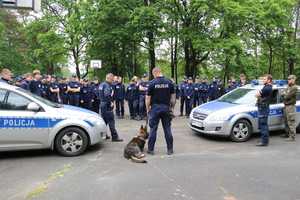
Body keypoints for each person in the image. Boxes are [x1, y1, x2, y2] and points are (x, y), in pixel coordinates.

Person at [146, 67, 176, 155]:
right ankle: (170, 149)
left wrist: (148, 109)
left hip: (155, 109)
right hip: (166, 108)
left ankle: (150, 149)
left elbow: (148, 98)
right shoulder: (169, 82)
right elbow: (173, 98)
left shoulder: (152, 83)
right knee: (167, 129)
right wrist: (172, 108)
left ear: (155, 73)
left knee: (153, 129)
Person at [99, 73, 123, 142]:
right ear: (109, 78)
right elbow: (107, 94)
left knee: (104, 121)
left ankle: (103, 135)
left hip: (102, 104)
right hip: (107, 105)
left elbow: (99, 94)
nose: (113, 81)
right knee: (111, 121)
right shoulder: (107, 85)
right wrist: (111, 102)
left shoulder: (101, 84)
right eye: (112, 79)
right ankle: (114, 137)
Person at [256, 74, 273, 147]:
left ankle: (264, 142)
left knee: (263, 125)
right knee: (263, 124)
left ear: (269, 80)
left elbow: (257, 95)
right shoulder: (266, 87)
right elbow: (259, 95)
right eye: (263, 79)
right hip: (263, 107)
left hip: (264, 108)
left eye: (264, 79)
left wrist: (258, 95)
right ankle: (264, 140)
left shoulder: (267, 88)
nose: (263, 80)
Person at [281, 75, 298, 141]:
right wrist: (284, 93)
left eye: (290, 79)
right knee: (286, 120)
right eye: (288, 79)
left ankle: (292, 136)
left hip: (291, 106)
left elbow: (287, 96)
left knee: (291, 121)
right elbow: (282, 93)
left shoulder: (294, 87)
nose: (288, 80)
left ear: (293, 80)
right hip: (286, 106)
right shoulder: (288, 87)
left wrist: (285, 94)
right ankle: (287, 134)